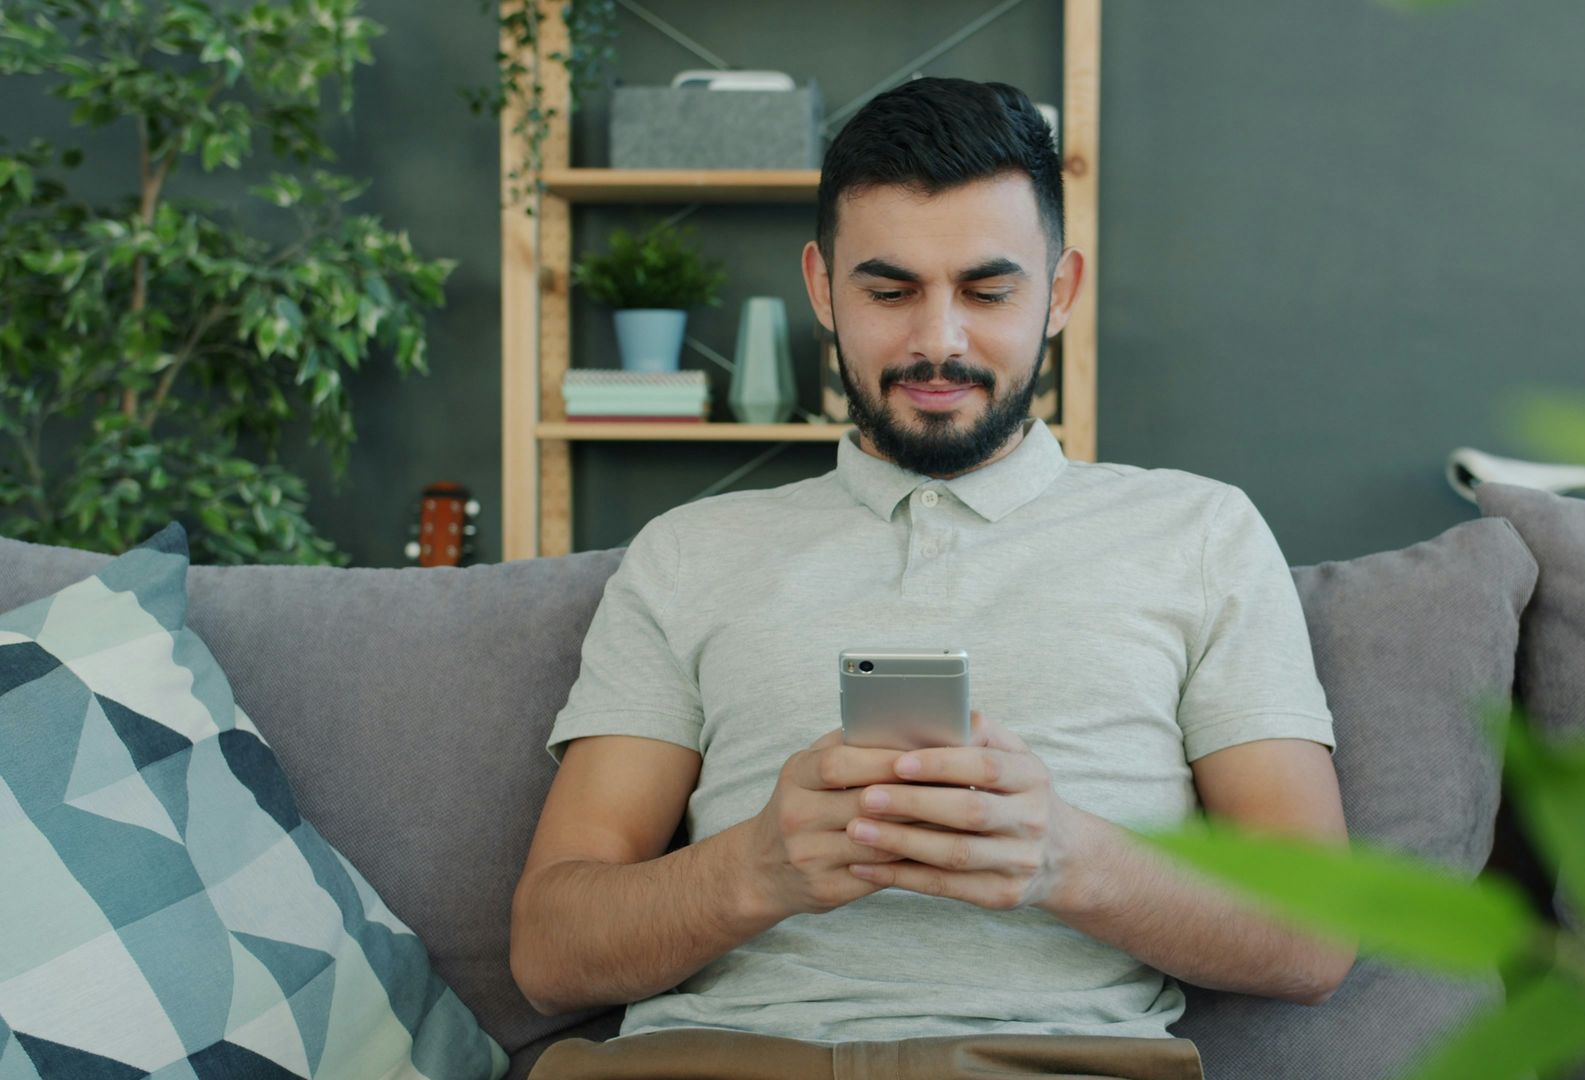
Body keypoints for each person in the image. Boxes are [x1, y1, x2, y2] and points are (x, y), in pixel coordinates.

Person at [510, 76, 1354, 1080]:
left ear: (1063, 291)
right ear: (823, 289)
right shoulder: (688, 552)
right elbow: (549, 953)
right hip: (722, 1063)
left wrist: (1065, 859)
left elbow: (1317, 939)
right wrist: (758, 867)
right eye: (890, 289)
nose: (939, 340)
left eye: (989, 291)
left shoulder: (1201, 532)